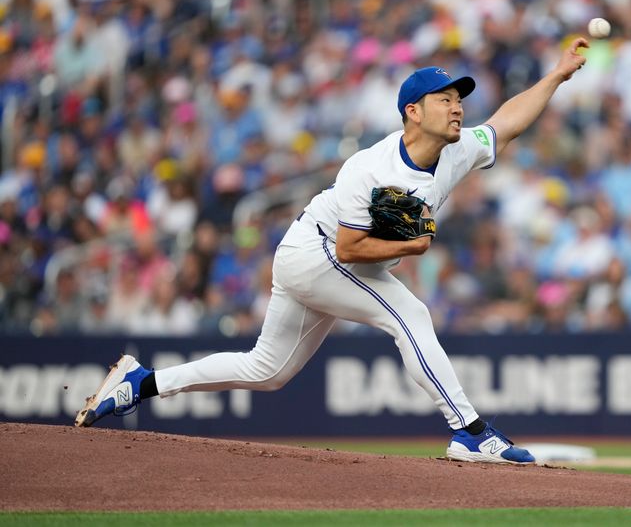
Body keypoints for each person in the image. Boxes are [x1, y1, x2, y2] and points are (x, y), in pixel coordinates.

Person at [75, 37, 589, 465]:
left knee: (267, 370)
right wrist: (411, 242)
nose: (457, 105)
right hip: (317, 252)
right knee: (409, 313)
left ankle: (142, 383)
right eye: (444, 98)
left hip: (325, 257)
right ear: (413, 111)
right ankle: (471, 431)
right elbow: (348, 248)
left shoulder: (458, 149)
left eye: (459, 97)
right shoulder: (370, 169)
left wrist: (557, 75)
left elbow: (508, 121)